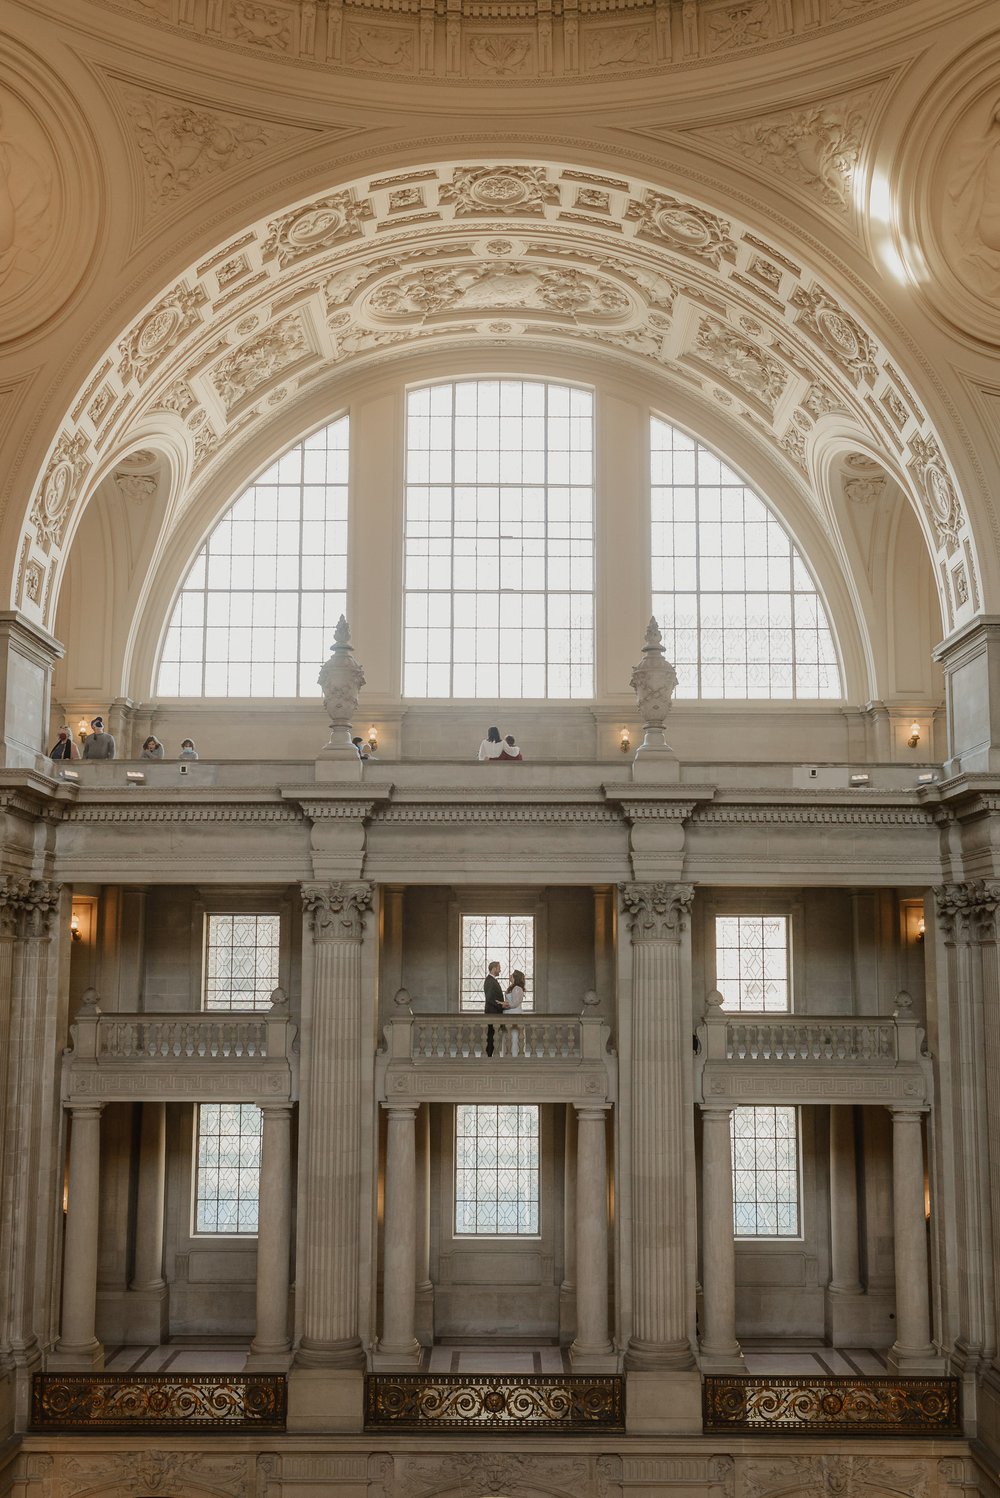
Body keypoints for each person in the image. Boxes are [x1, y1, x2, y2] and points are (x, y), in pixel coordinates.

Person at [483, 959, 504, 1056]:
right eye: (499, 968)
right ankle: (490, 1056)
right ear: (494, 969)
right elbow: (490, 998)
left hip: (494, 1012)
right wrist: (501, 1005)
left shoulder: (491, 980)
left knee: (492, 1035)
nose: (500, 970)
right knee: (491, 1035)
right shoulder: (490, 981)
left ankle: (490, 1055)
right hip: (492, 1012)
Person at [502, 968, 526, 1055]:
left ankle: (514, 1055)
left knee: (514, 1035)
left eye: (512, 975)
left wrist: (503, 1004)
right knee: (509, 1035)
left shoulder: (517, 988)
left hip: (514, 1014)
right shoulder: (513, 987)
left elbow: (515, 1003)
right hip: (509, 1013)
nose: (510, 976)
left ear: (516, 977)